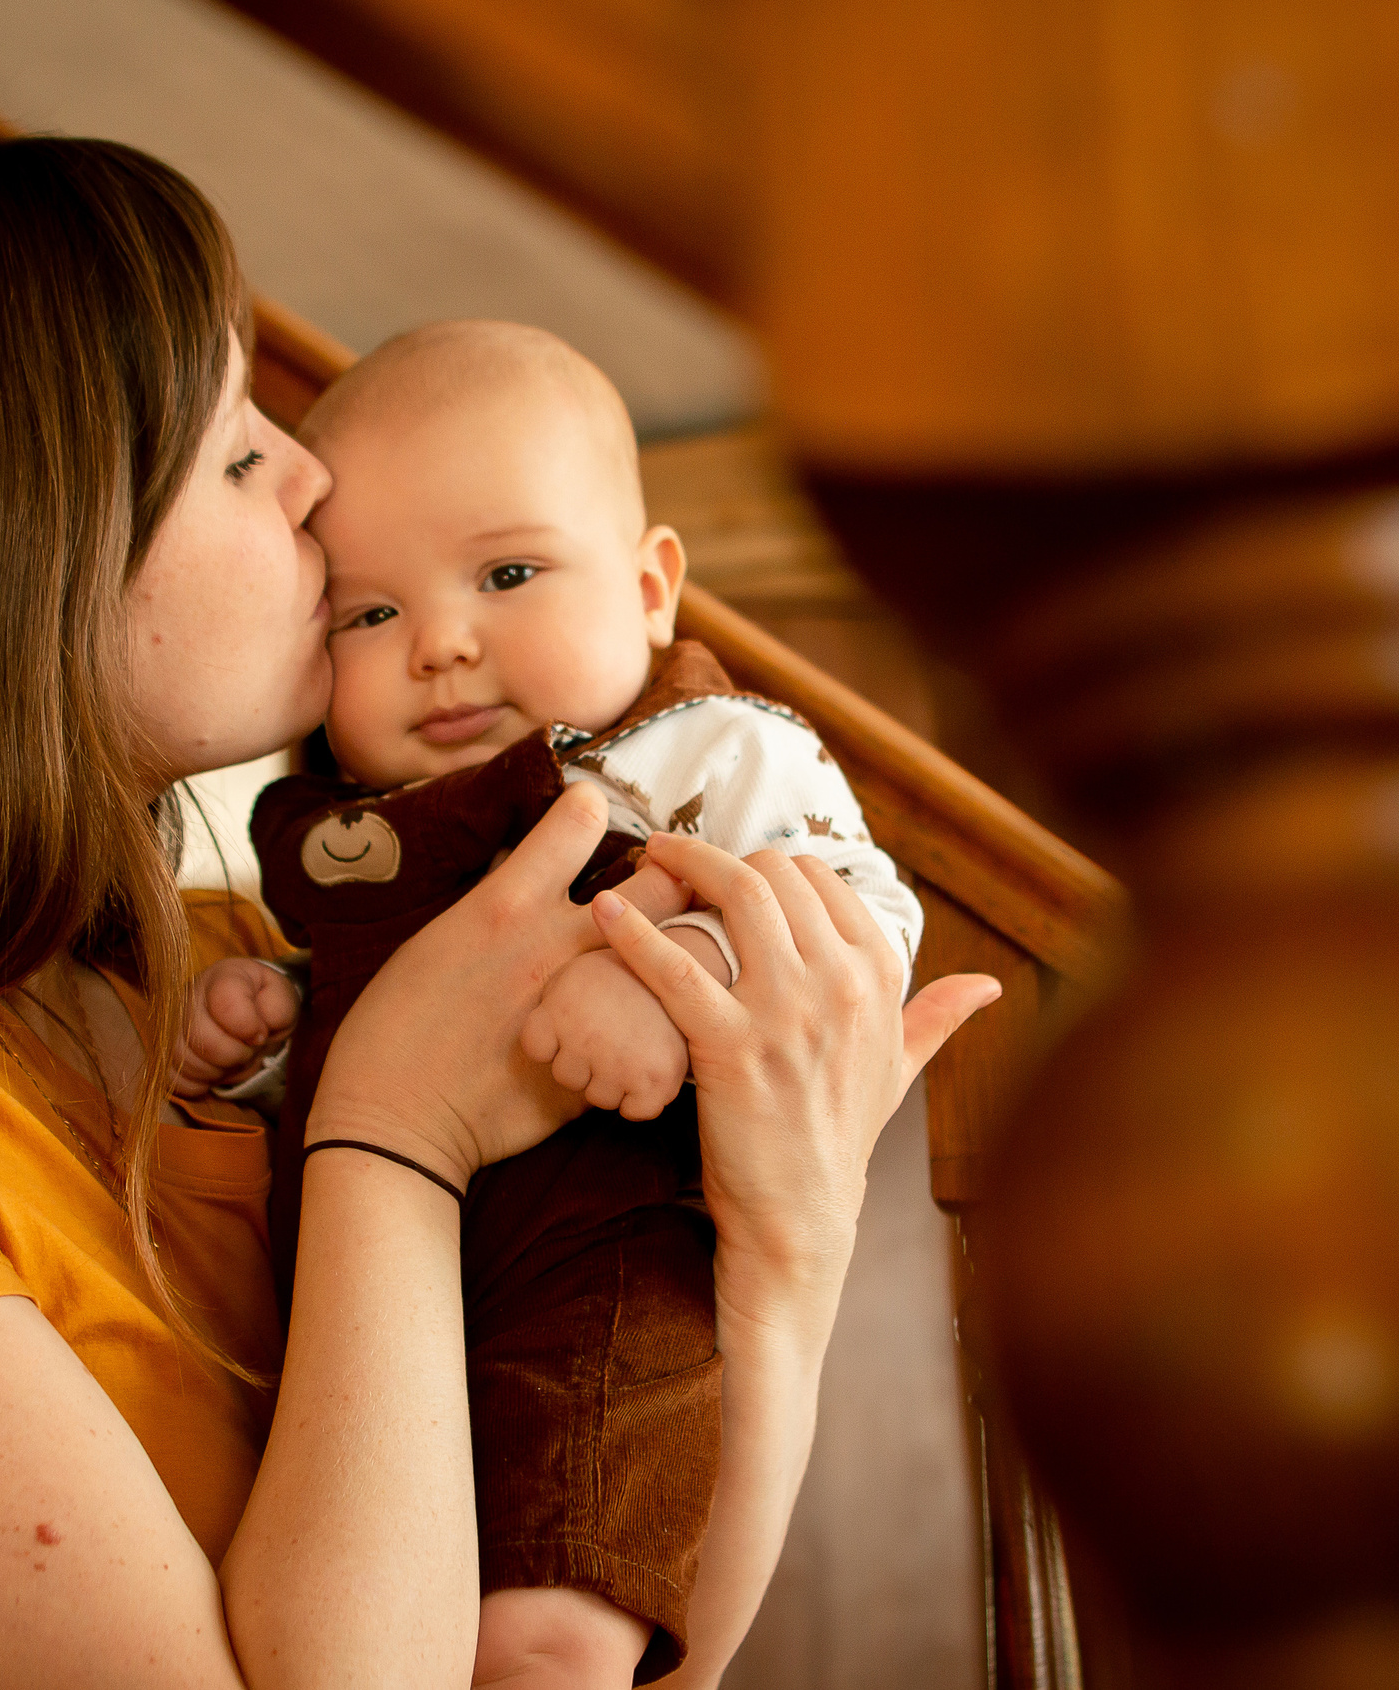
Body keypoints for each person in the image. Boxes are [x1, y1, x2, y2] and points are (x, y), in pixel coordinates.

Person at [0, 139, 998, 1690]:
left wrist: (788, 1250)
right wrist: (393, 1138)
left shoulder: (236, 982)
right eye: (232, 447)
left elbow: (634, 1645)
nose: (308, 474)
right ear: (1, 560)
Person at [178, 321, 925, 1688]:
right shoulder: (345, 823)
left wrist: (688, 965)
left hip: (607, 1263)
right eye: (370, 613)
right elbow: (398, 1018)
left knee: (550, 1630)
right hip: (369, 1295)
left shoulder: (708, 751)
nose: (444, 647)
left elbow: (864, 927)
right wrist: (274, 1023)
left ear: (651, 588)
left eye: (509, 574)